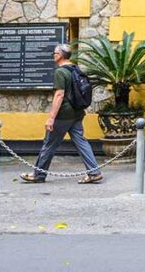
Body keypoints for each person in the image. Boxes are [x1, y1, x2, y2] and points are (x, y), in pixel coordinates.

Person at [20, 43, 103, 184]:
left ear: (59, 56)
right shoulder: (75, 69)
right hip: (77, 113)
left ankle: (38, 175)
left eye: (54, 53)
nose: (53, 55)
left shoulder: (60, 72)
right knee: (81, 142)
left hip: (64, 114)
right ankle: (94, 172)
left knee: (49, 143)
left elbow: (59, 95)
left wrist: (51, 118)